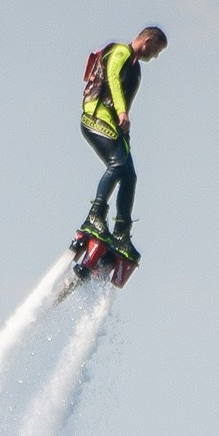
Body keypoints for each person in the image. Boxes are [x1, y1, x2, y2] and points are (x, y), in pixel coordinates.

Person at [79, 26, 167, 265]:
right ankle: (95, 216)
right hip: (95, 117)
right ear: (148, 41)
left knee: (129, 174)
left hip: (112, 124)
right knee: (118, 164)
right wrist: (120, 111)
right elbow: (113, 81)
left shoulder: (135, 67)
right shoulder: (120, 52)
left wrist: (124, 130)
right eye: (156, 50)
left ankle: (121, 232)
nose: (155, 56)